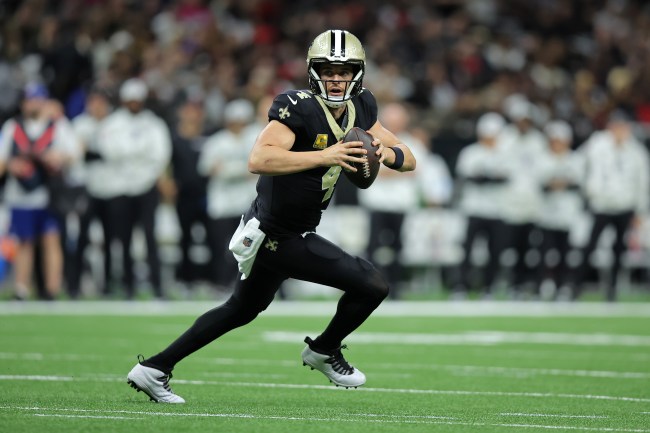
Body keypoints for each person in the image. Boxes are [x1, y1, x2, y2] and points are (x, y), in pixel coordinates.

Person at [126, 29, 416, 403]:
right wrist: (325, 155)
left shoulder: (361, 107)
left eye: (344, 71)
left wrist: (384, 153)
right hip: (279, 234)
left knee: (240, 310)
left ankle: (153, 368)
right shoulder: (299, 107)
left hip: (279, 231)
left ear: (357, 74)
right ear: (313, 72)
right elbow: (258, 159)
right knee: (372, 284)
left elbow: (408, 157)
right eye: (328, 70)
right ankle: (324, 349)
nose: (335, 78)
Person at [0, 83, 80, 300]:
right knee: (23, 242)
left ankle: (52, 289)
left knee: (51, 240)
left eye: (37, 99)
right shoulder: (12, 127)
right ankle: (21, 288)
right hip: (20, 194)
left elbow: (75, 153)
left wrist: (58, 157)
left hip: (49, 194)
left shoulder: (57, 125)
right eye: (29, 100)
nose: (33, 104)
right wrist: (12, 165)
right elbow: (2, 159)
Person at [96, 78, 172, 299]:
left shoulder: (154, 124)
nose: (134, 103)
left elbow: (161, 154)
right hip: (119, 187)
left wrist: (132, 158)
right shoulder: (112, 124)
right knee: (124, 237)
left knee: (150, 235)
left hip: (147, 185)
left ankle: (157, 286)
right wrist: (139, 155)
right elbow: (109, 152)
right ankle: (128, 285)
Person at [573, 110, 649, 301]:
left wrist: (640, 209)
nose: (620, 130)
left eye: (623, 126)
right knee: (589, 247)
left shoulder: (636, 151)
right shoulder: (597, 143)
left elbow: (642, 182)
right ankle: (576, 286)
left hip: (624, 206)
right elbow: (578, 164)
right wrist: (589, 191)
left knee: (619, 250)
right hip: (601, 205)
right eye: (617, 126)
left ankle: (612, 290)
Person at [198, 98, 259, 290]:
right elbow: (208, 169)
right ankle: (221, 283)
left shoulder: (255, 138)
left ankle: (245, 283)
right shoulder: (217, 141)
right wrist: (242, 170)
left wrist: (227, 169)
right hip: (222, 203)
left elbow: (258, 168)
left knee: (248, 246)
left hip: (247, 203)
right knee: (221, 246)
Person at [452, 112, 510, 299]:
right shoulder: (471, 153)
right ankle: (461, 286)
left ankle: (488, 287)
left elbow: (508, 177)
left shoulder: (505, 154)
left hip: (497, 209)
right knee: (467, 250)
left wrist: (487, 178)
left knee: (495, 251)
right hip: (473, 208)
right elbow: (463, 177)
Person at [536, 120, 584, 300]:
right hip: (545, 214)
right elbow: (538, 183)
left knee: (566, 253)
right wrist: (555, 184)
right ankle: (543, 284)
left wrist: (561, 184)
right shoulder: (542, 158)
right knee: (544, 252)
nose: (556, 144)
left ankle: (563, 285)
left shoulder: (575, 159)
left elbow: (579, 184)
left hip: (568, 214)